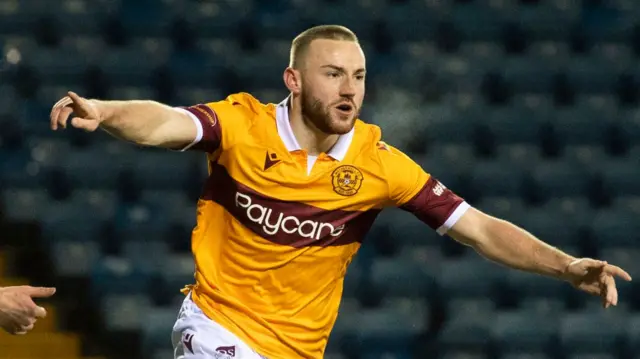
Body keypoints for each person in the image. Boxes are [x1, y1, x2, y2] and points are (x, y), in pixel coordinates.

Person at [49, 25, 632, 359]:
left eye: (358, 76)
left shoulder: (378, 166)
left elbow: (478, 229)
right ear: (294, 80)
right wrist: (106, 111)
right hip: (216, 328)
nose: (349, 88)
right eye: (333, 74)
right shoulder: (242, 126)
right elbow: (165, 122)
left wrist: (564, 266)